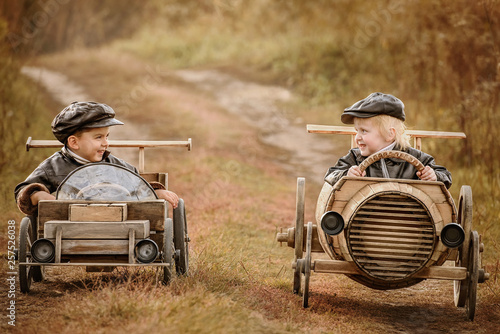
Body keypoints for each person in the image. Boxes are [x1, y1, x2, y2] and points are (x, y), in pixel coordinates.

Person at [15, 101, 179, 215]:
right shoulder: (52, 168)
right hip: (69, 231)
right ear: (74, 142)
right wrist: (36, 195)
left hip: (118, 228)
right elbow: (24, 191)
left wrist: (155, 192)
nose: (106, 143)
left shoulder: (116, 166)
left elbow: (137, 184)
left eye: (107, 136)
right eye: (98, 137)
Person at [324, 92, 452, 188]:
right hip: (364, 217)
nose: (357, 137)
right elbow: (331, 175)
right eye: (357, 130)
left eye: (364, 131)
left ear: (390, 134)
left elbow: (445, 175)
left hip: (408, 218)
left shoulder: (415, 158)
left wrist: (434, 176)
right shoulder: (355, 158)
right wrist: (346, 175)